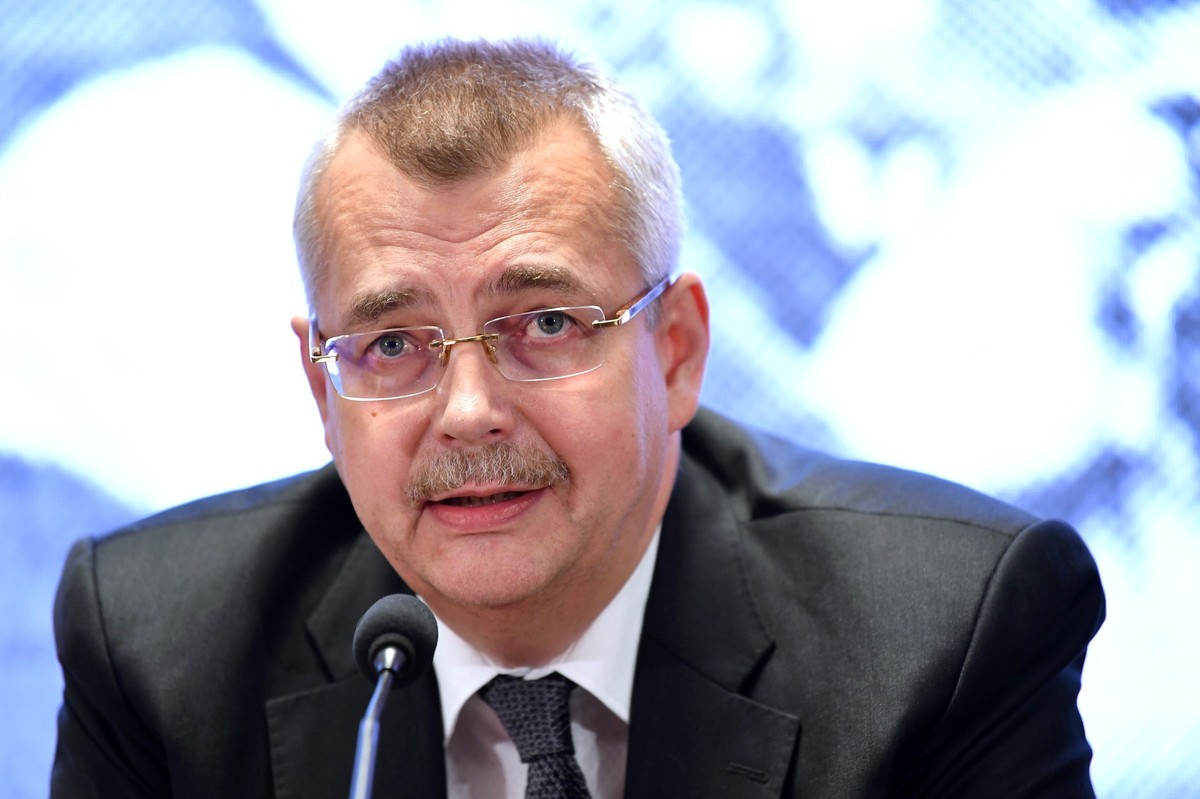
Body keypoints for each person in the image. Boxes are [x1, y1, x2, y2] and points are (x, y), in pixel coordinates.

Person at [51, 38, 1105, 798]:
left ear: (676, 350)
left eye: (546, 323)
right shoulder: (158, 647)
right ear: (325, 393)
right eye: (393, 345)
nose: (468, 412)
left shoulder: (945, 637)